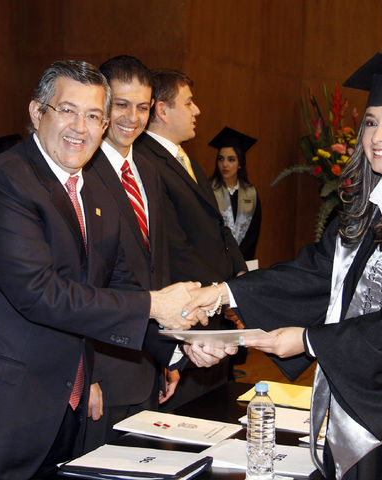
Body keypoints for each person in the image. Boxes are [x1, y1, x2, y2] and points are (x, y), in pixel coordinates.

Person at [185, 53, 382, 480]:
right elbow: (320, 271)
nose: (378, 135)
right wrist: (223, 294)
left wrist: (308, 340)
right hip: (378, 394)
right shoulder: (376, 202)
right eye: (371, 122)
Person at [0, 60, 230, 480]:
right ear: (37, 112)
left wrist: (181, 344)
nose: (81, 127)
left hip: (62, 407)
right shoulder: (3, 182)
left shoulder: (91, 190)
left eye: (94, 116)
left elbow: (117, 284)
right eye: (67, 110)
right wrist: (155, 305)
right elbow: (41, 293)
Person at [82, 55, 180, 452]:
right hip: (102, 374)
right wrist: (86, 374)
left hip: (146, 363)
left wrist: (167, 353)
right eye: (121, 105)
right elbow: (79, 283)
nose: (132, 118)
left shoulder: (148, 172)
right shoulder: (81, 172)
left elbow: (157, 268)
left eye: (142, 107)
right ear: (103, 104)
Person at [134, 69, 247, 411]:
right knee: (188, 414)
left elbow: (219, 227)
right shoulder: (145, 161)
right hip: (188, 309)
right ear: (163, 110)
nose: (197, 110)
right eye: (188, 103)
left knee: (216, 408)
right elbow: (173, 246)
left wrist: (239, 278)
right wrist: (220, 294)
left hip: (211, 306)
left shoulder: (189, 163)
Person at [209, 126, 261, 261]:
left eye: (231, 159)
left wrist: (239, 259)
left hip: (244, 260)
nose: (225, 164)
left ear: (240, 164)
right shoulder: (208, 190)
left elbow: (253, 233)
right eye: (221, 159)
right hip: (215, 259)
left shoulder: (251, 193)